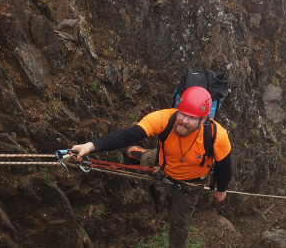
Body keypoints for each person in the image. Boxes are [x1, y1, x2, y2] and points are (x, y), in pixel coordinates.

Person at [70, 86, 232, 248]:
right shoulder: (164, 119)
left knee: (180, 222)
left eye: (192, 118)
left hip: (190, 182)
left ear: (203, 119)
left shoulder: (217, 136)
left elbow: (225, 165)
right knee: (146, 157)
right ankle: (142, 155)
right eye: (182, 114)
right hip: (163, 162)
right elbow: (130, 134)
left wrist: (221, 190)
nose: (184, 121)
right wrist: (90, 146)